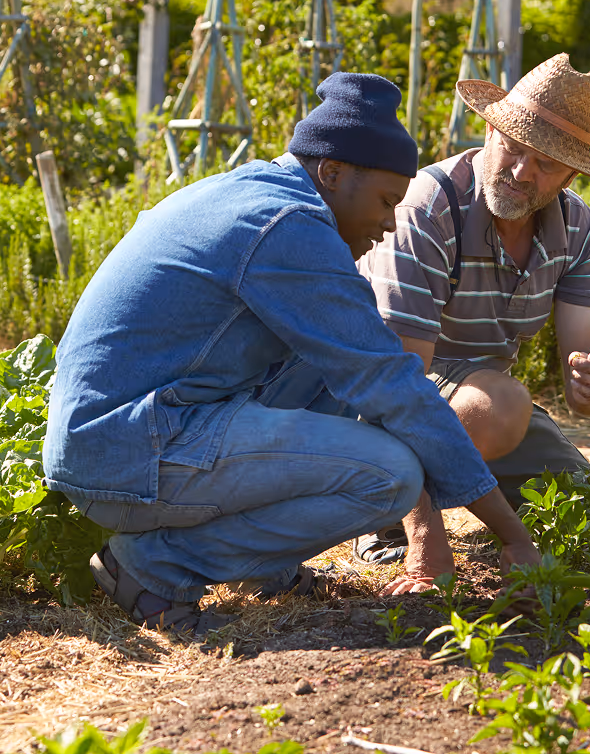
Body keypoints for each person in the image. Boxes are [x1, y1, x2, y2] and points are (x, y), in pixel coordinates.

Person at [43, 73, 542, 635]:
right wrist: (512, 535)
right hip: (124, 451)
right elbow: (394, 387)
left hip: (126, 433)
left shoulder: (259, 192)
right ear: (330, 173)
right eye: (383, 201)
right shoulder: (289, 227)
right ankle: (156, 567)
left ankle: (266, 566)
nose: (387, 223)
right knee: (389, 477)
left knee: (333, 355)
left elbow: (366, 362)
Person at [352, 54, 590, 591]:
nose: (523, 171)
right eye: (515, 148)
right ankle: (386, 515)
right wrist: (428, 542)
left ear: (573, 173)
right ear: (491, 128)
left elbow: (585, 377)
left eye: (547, 163)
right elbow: (393, 387)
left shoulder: (576, 227)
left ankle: (441, 482)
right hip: (370, 401)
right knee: (500, 406)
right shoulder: (430, 207)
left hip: (471, 408)